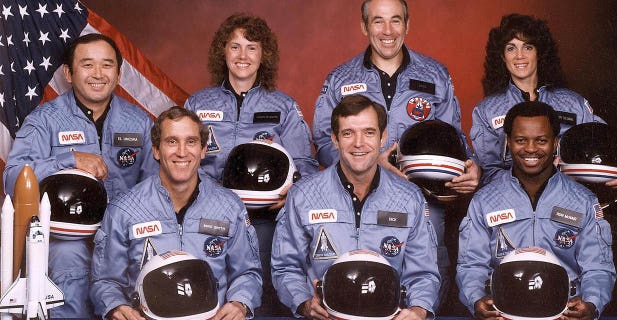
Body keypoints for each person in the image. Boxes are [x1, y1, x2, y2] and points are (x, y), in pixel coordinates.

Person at [311, 0, 479, 308]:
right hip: (355, 198)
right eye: (378, 21)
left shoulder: (435, 74)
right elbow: (323, 140)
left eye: (395, 21)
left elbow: (455, 139)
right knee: (362, 277)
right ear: (364, 27)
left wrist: (471, 168)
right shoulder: (340, 78)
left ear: (407, 24)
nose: (387, 31)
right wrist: (368, 163)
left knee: (426, 278)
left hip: (424, 197)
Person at [2, 33, 157, 318]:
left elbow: (156, 187)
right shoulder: (44, 120)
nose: (98, 74)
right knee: (68, 261)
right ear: (69, 73)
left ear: (119, 73)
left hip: (123, 238)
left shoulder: (138, 122)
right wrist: (68, 159)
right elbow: (14, 178)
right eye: (87, 65)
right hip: (67, 239)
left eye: (107, 65)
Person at [184, 13, 318, 316]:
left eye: (252, 47)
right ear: (222, 51)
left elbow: (305, 166)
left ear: (264, 55)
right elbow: (180, 160)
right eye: (235, 47)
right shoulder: (197, 104)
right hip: (210, 217)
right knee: (212, 293)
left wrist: (289, 195)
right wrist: (209, 194)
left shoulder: (283, 106)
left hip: (266, 222)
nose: (242, 56)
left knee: (268, 293)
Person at [272, 95, 441, 320]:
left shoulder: (409, 198)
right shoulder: (303, 195)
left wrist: (418, 310)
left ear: (383, 138)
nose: (359, 143)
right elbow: (285, 266)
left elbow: (424, 273)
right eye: (348, 133)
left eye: (369, 132)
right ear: (334, 139)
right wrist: (303, 303)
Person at [90, 107, 262, 320]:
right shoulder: (124, 209)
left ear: (203, 150)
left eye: (191, 142)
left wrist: (240, 302)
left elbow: (248, 272)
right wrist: (115, 306)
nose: (182, 152)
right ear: (155, 150)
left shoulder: (229, 207)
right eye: (172, 141)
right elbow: (105, 281)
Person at [457, 101, 616, 320]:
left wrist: (591, 303)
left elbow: (598, 266)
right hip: (504, 313)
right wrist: (475, 299)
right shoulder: (484, 201)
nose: (531, 149)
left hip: (564, 313)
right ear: (508, 143)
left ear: (555, 143)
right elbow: (471, 264)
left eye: (541, 140)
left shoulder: (583, 201)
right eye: (521, 140)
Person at [471, 13, 617, 187]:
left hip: (568, 201)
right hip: (513, 206)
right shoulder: (487, 110)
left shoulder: (572, 103)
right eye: (511, 48)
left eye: (528, 47)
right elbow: (488, 173)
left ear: (539, 53)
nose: (519, 55)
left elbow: (606, 142)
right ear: (502, 56)